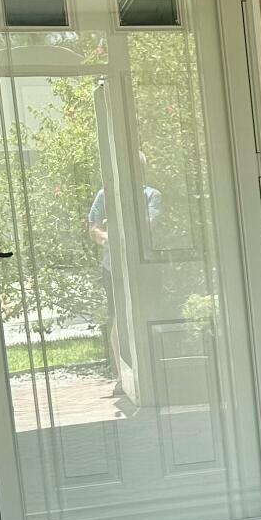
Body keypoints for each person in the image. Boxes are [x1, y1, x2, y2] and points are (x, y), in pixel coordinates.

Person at [87, 161, 160, 384]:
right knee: (118, 317)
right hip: (113, 265)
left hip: (143, 264)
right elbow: (93, 227)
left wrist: (119, 224)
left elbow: (150, 224)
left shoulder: (151, 195)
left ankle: (150, 372)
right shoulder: (104, 195)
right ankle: (122, 376)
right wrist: (105, 236)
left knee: (147, 313)